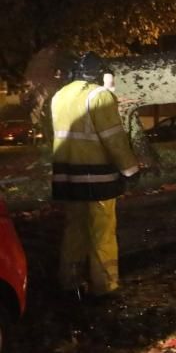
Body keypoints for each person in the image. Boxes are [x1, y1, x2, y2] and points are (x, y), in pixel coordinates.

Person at [50, 52, 139, 300]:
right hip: (97, 178)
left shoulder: (59, 96)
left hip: (67, 175)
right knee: (102, 231)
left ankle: (69, 281)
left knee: (74, 229)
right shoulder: (99, 96)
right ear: (98, 73)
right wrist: (131, 170)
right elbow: (114, 139)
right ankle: (105, 285)